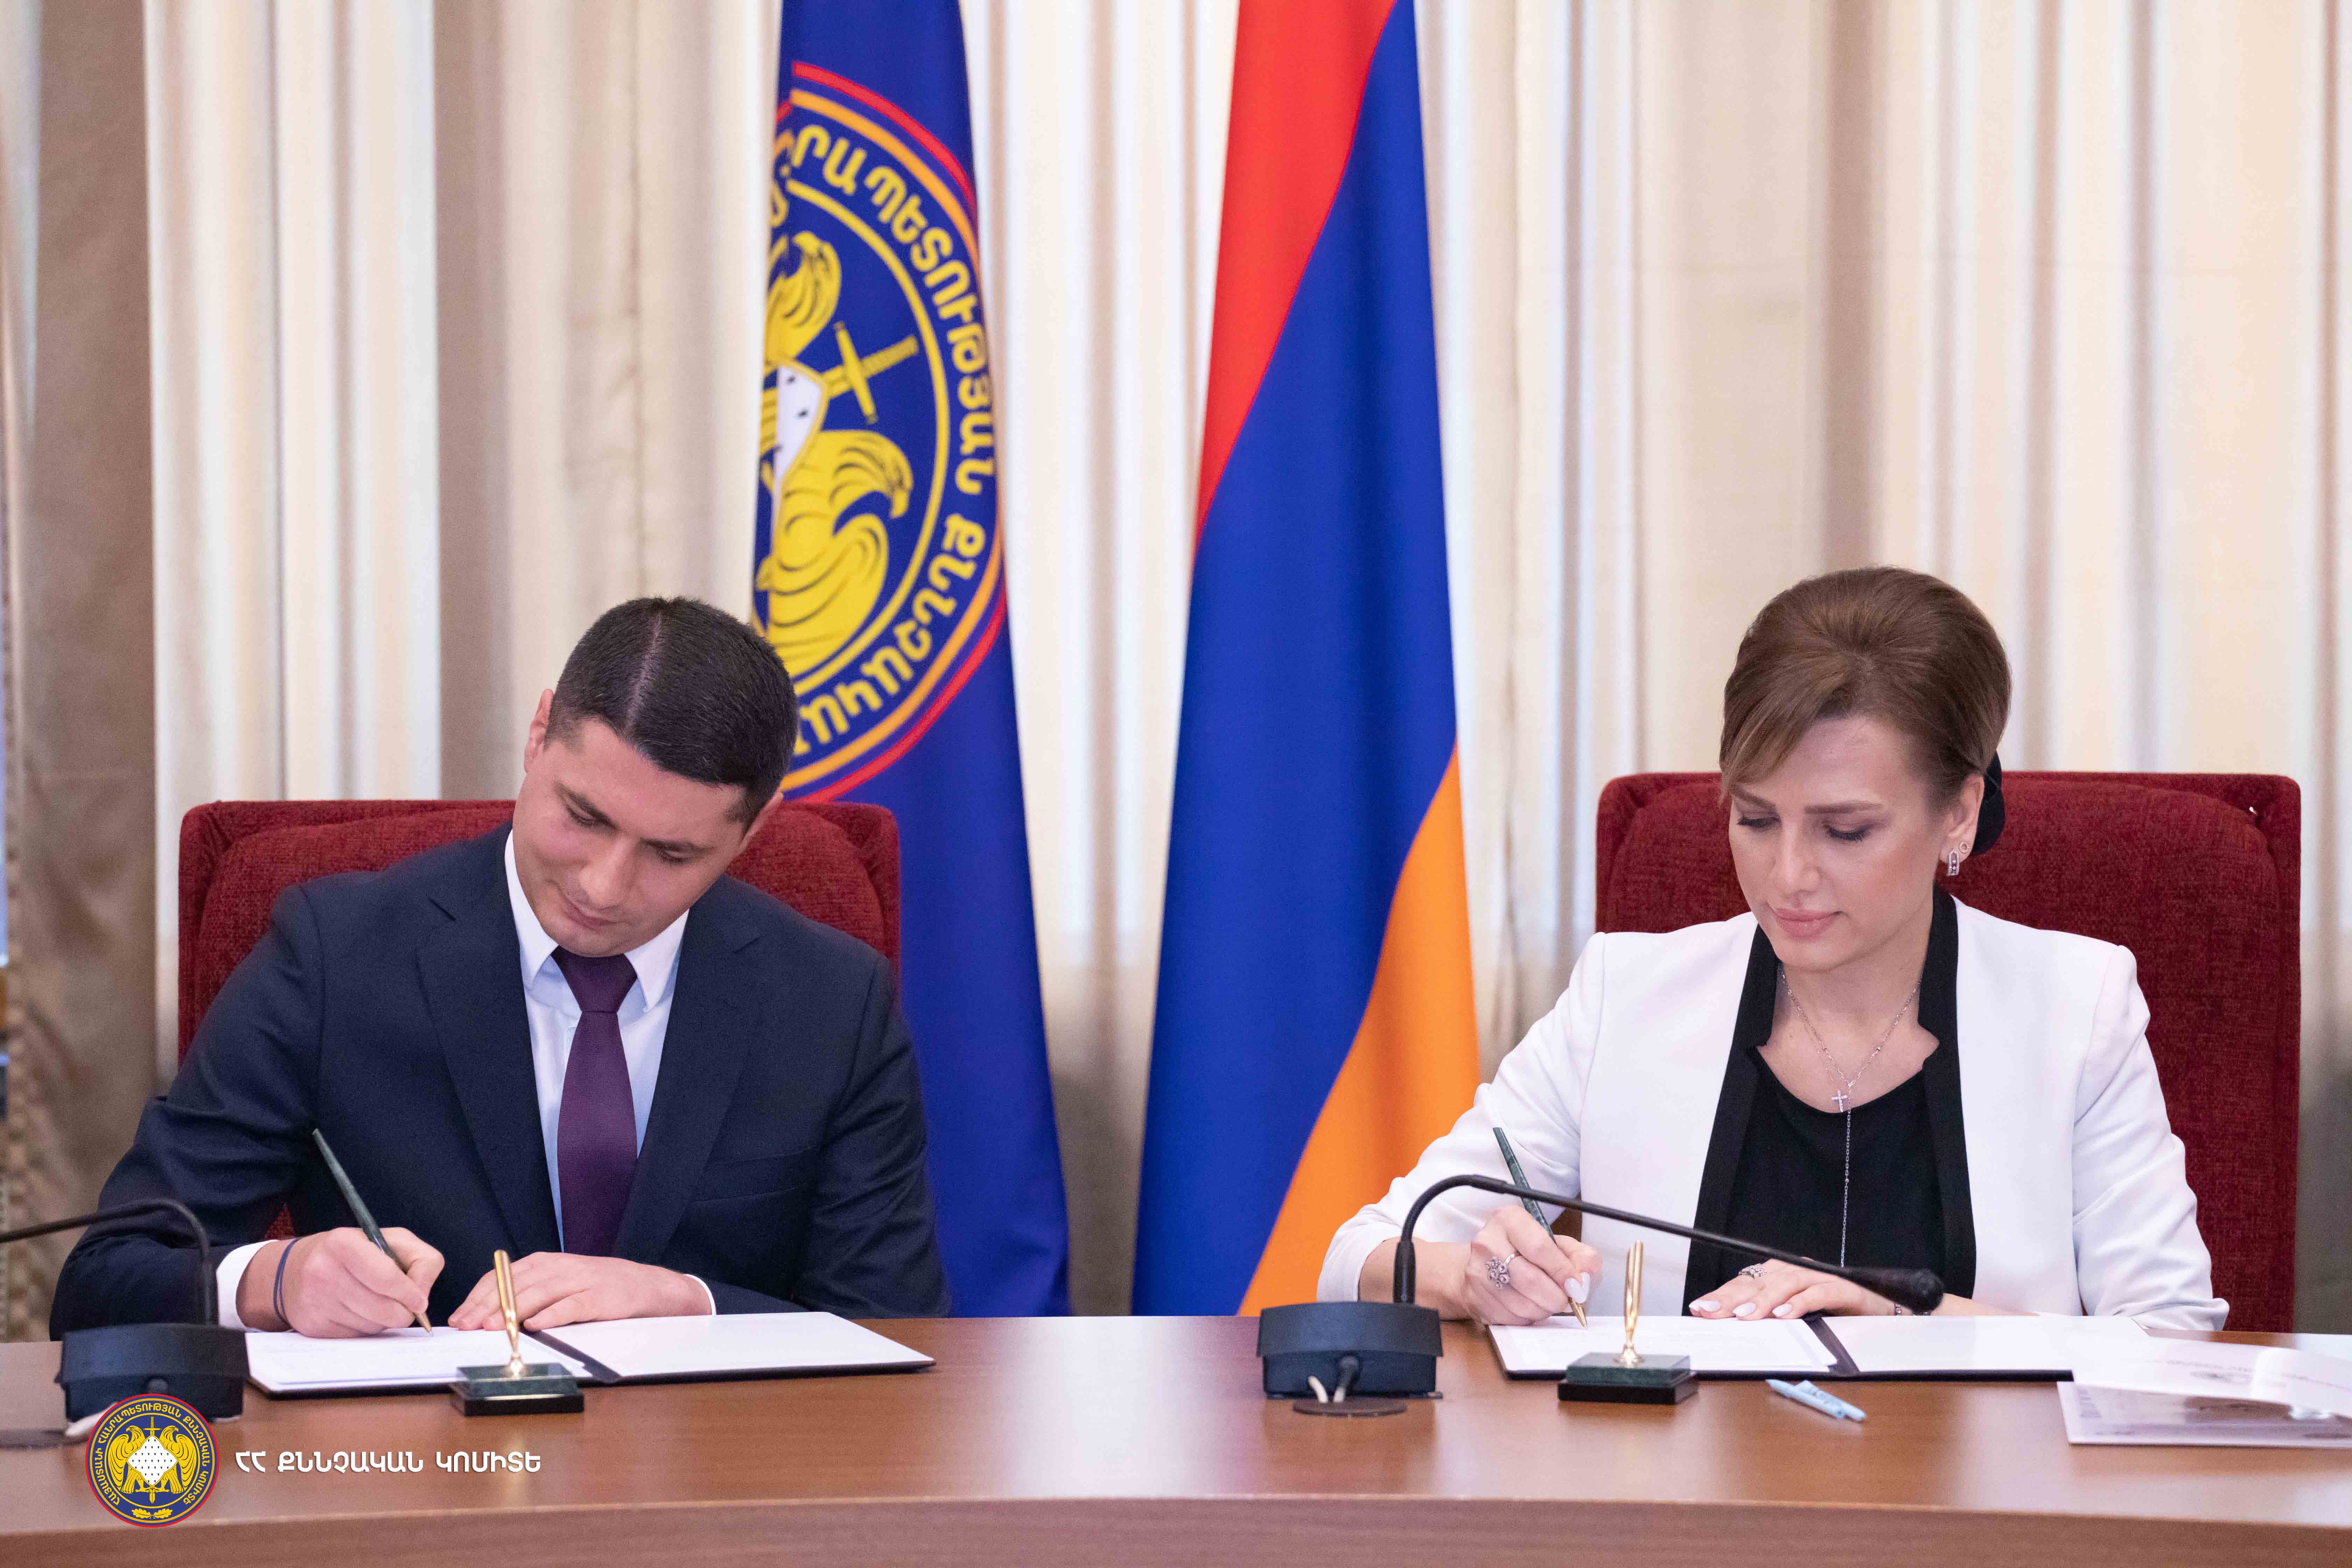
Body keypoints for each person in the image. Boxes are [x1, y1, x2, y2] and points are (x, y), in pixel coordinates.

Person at [1322, 567, 2224, 1330]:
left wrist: (1908, 1322)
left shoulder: (2078, 1008)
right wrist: (1470, 1276)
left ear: (1959, 810)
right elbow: (1355, 1255)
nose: (1788, 875)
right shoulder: (1625, 996)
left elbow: (2173, 1340)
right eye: (1755, 818)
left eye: (1845, 829)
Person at [53, 597, 949, 1337]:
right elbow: (106, 1281)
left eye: (672, 853)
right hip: (422, 1471)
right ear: (537, 735)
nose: (604, 886)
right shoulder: (335, 954)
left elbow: (900, 1329)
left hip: (717, 1477)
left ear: (753, 832)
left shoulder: (834, 1003)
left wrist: (693, 1303)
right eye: (584, 817)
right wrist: (273, 1280)